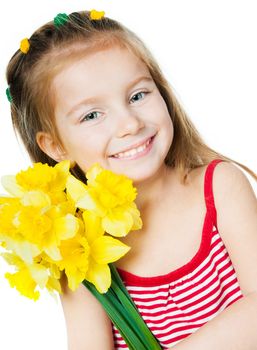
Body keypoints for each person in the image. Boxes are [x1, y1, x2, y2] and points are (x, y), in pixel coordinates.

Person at [5, 10, 257, 350]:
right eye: (92, 115)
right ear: (55, 146)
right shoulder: (76, 251)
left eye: (138, 95)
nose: (130, 124)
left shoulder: (219, 187)